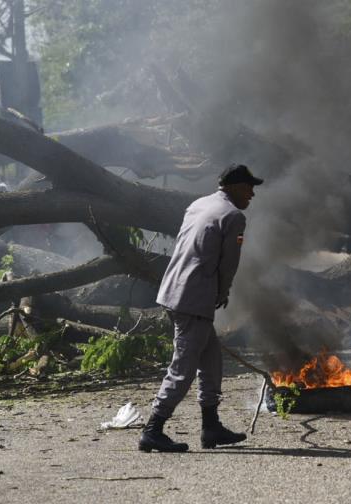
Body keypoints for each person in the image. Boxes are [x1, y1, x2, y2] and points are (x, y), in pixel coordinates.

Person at [139, 163, 263, 453]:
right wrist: (222, 293)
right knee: (182, 368)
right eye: (248, 188)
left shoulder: (198, 204)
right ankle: (153, 429)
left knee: (211, 360)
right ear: (232, 187)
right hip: (195, 298)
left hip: (174, 289)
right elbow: (228, 262)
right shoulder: (233, 216)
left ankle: (211, 427)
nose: (252, 195)